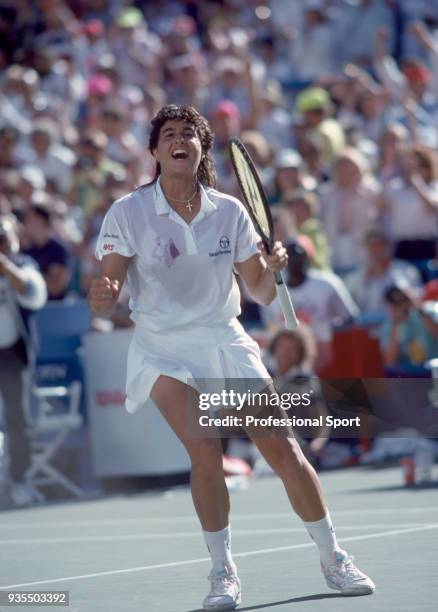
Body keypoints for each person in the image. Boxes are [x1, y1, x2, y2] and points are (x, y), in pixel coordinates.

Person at [89, 105, 374, 610]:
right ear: (155, 151)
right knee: (205, 449)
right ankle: (223, 573)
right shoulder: (128, 212)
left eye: (189, 135)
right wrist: (103, 294)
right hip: (162, 347)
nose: (180, 140)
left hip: (224, 337)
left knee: (284, 450)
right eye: (169, 134)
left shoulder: (230, 211)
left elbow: (262, 294)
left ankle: (335, 558)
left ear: (201, 149)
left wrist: (271, 267)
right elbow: (106, 287)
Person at [0, 214, 47, 506]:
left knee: (19, 420)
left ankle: (19, 480)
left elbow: (33, 295)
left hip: (13, 354)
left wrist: (4, 265)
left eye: (4, 237)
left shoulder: (25, 266)